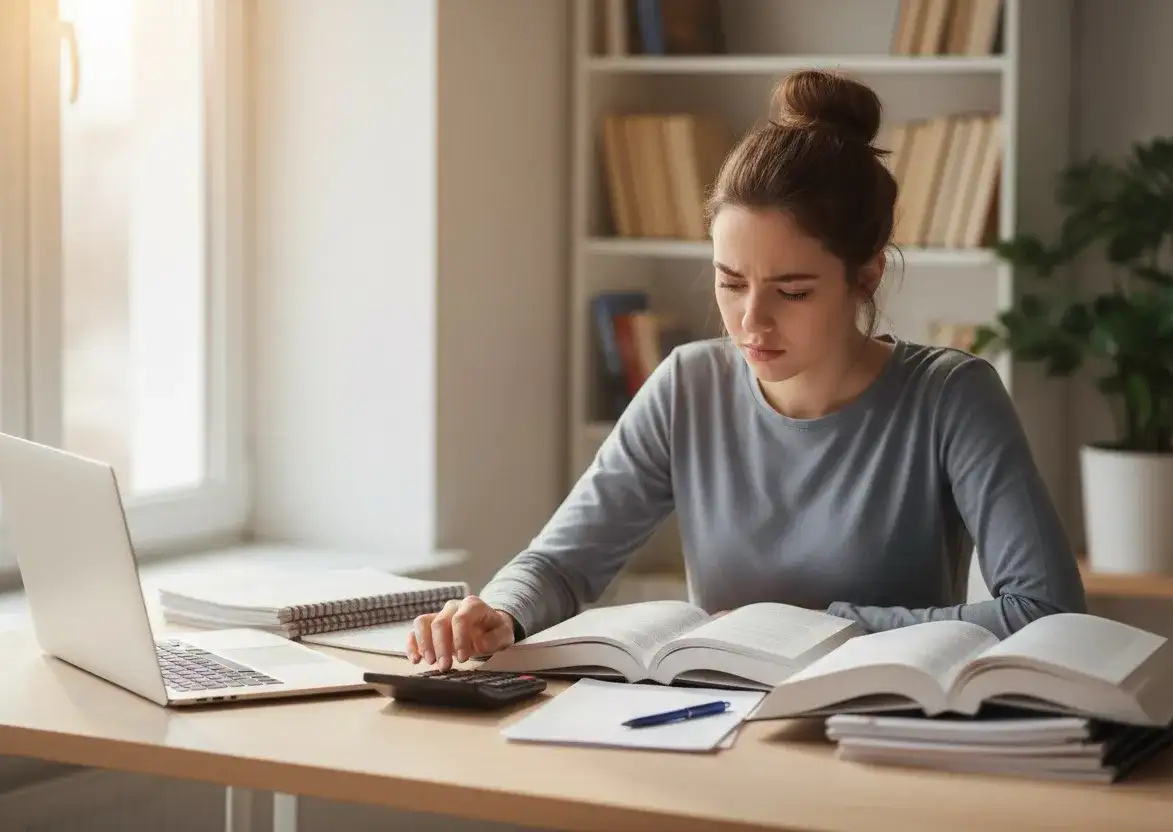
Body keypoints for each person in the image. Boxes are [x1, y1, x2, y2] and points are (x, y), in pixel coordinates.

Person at [409, 69, 1086, 671]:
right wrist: (500, 610)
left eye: (792, 291)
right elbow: (562, 562)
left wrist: (811, 629)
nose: (751, 321)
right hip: (715, 729)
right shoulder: (686, 387)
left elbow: (1046, 612)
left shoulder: (949, 396)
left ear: (866, 272)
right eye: (730, 283)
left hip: (877, 732)